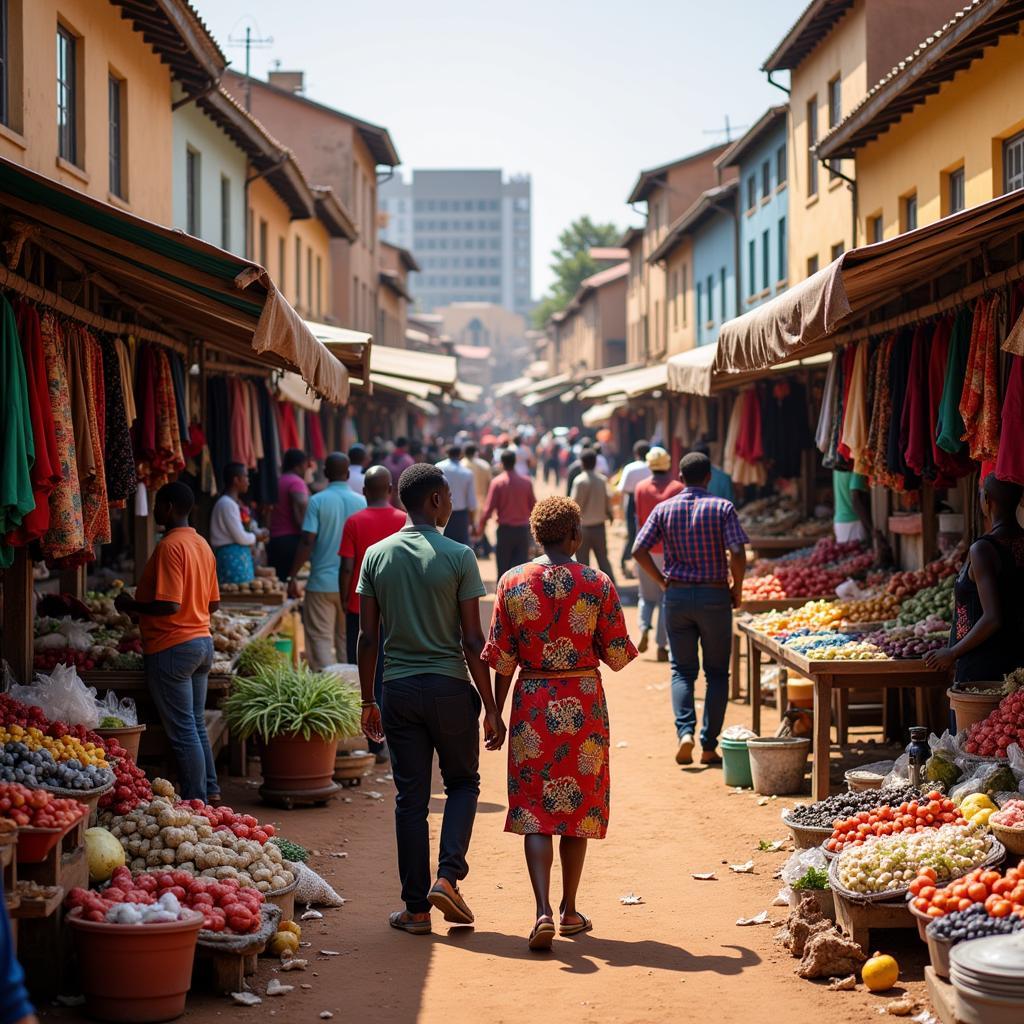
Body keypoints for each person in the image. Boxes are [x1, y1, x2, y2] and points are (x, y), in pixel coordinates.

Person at [483, 496, 637, 950]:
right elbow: (616, 654)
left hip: (531, 702)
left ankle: (541, 910)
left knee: (534, 809)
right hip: (582, 701)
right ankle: (570, 910)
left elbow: (502, 658)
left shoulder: (512, 581)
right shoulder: (596, 581)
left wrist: (495, 713)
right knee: (577, 809)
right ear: (575, 536)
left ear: (536, 535)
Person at [357, 464, 503, 936]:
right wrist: (493, 707)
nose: (453, 503)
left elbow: (366, 637)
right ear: (437, 500)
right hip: (450, 689)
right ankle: (448, 876)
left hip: (397, 690)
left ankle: (416, 909)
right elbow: (471, 639)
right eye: (448, 495)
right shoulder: (460, 555)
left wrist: (367, 701)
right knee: (462, 784)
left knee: (411, 800)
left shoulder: (376, 556)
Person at [633, 452, 748, 768]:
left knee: (682, 670)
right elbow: (737, 552)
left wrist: (661, 581)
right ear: (709, 477)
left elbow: (638, 549)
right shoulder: (723, 508)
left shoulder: (664, 509)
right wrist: (736, 588)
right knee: (716, 673)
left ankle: (685, 732)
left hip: (678, 598)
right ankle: (708, 746)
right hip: (714, 598)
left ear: (680, 479)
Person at [115, 482, 220, 802]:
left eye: (159, 505)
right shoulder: (201, 544)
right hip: (202, 641)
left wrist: (132, 607)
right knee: (196, 725)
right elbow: (213, 604)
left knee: (184, 730)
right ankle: (210, 792)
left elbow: (169, 605)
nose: (156, 511)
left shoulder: (169, 546)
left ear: (171, 506)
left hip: (173, 646)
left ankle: (196, 802)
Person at [925, 474, 1024, 683]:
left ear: (987, 499)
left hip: (983, 668)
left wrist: (952, 653)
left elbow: (993, 617)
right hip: (1017, 661)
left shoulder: (983, 549)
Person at [339, 466, 407, 761]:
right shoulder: (405, 520)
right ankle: (399, 737)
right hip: (398, 609)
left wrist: (345, 599)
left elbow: (346, 566)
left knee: (366, 672)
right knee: (393, 671)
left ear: (364, 491)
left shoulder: (354, 521)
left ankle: (374, 742)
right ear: (390, 489)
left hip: (360, 607)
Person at [287, 453, 366, 670]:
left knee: (320, 638)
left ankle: (328, 688)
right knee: (346, 638)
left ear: (325, 473)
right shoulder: (361, 502)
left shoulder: (317, 501)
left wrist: (292, 575)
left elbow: (306, 541)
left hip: (321, 582)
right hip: (353, 585)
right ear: (348, 474)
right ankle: (350, 690)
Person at [633, 447, 683, 661]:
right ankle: (662, 646)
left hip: (644, 550)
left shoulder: (640, 487)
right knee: (665, 597)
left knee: (646, 595)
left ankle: (644, 626)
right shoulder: (677, 488)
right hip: (670, 551)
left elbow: (638, 518)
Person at [479, 450, 536, 577]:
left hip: (505, 531)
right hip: (522, 531)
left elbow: (489, 509)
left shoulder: (497, 483)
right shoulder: (526, 482)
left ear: (501, 464)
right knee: (521, 571)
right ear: (515, 462)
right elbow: (534, 507)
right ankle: (520, 595)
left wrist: (481, 526)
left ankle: (502, 595)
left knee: (503, 570)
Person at [209, 463, 268, 585]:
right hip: (231, 557)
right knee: (237, 596)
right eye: (246, 477)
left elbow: (246, 528)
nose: (248, 481)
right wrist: (257, 536)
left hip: (237, 556)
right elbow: (240, 537)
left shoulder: (234, 503)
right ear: (236, 480)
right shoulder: (227, 504)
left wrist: (258, 532)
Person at [570, 450, 616, 582]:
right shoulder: (602, 480)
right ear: (595, 463)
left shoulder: (579, 481)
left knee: (583, 563)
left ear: (582, 463)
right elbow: (608, 501)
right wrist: (610, 515)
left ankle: (585, 588)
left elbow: (575, 504)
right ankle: (610, 587)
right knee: (603, 560)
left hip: (582, 529)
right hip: (599, 527)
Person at [268, 448, 310, 580]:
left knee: (278, 582)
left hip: (274, 539)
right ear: (298, 465)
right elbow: (302, 504)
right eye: (305, 465)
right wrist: (307, 533)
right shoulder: (296, 482)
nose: (306, 469)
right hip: (290, 540)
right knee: (291, 582)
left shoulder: (278, 480)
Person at [616, 439, 652, 577]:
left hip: (632, 502)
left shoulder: (630, 467)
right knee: (647, 533)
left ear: (636, 453)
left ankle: (624, 562)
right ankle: (644, 566)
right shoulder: (651, 467)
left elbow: (622, 489)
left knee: (632, 535)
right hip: (648, 501)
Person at [436, 444, 477, 546]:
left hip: (441, 512)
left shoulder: (438, 467)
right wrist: (472, 523)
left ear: (447, 454)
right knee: (460, 547)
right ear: (460, 455)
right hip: (460, 516)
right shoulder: (467, 472)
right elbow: (471, 502)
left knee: (443, 545)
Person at [462, 442, 494, 557]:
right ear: (476, 452)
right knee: (481, 525)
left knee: (470, 526)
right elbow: (490, 484)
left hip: (466, 501)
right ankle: (484, 548)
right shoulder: (484, 465)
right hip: (482, 499)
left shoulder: (461, 465)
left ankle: (477, 548)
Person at [833, 467, 872, 543]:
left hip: (839, 522)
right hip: (854, 523)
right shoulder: (857, 466)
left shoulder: (837, 465)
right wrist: (871, 528)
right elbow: (856, 499)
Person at [384, 438, 415, 507]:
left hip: (388, 496)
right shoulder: (408, 460)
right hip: (404, 496)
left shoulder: (387, 459)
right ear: (406, 446)